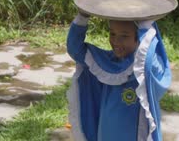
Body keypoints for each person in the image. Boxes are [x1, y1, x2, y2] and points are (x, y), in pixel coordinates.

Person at [66, 12, 171, 141]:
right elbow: (75, 49)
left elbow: (148, 58)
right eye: (113, 34)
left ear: (139, 37)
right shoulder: (105, 63)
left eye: (124, 36)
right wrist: (83, 16)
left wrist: (145, 25)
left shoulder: (144, 68)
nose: (116, 41)